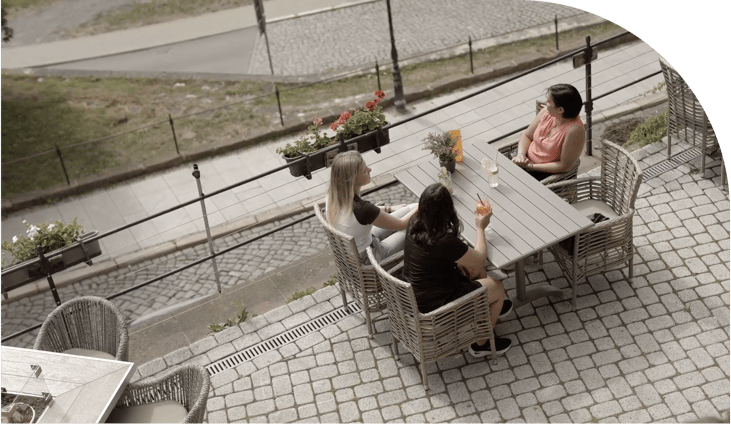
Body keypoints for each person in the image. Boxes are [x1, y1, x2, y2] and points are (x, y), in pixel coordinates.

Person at [402, 183, 513, 357]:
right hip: (436, 305)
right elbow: (479, 259)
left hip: (418, 296)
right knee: (498, 287)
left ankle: (486, 306)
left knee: (475, 270)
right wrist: (480, 227)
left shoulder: (414, 223)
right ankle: (481, 344)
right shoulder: (442, 240)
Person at [326, 151, 418, 265]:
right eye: (365, 170)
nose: (370, 170)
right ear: (353, 179)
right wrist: (425, 204)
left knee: (414, 207)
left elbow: (370, 213)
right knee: (415, 226)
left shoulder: (331, 196)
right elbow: (402, 224)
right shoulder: (363, 209)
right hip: (371, 258)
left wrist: (389, 208)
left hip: (360, 244)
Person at [512, 83, 585, 181]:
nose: (546, 103)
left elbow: (564, 166)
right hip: (523, 160)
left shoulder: (574, 131)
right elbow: (526, 135)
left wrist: (530, 167)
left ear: (560, 110)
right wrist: (520, 155)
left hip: (542, 174)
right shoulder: (546, 112)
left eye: (549, 101)